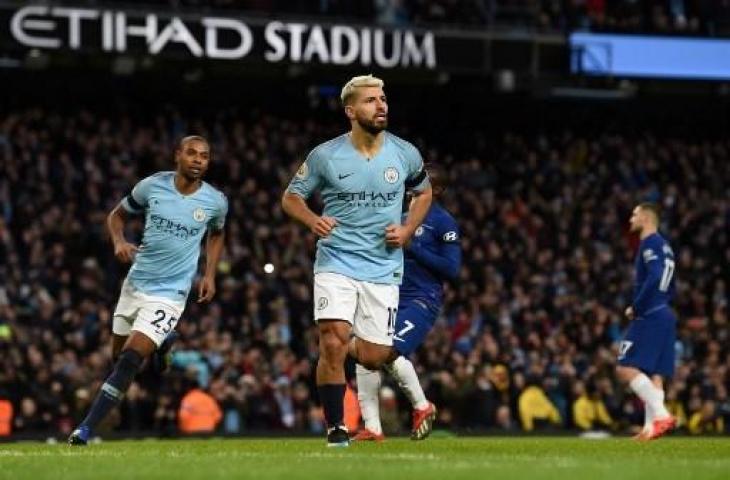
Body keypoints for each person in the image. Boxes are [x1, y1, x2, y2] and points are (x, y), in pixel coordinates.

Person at [282, 74, 432, 447]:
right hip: (337, 260)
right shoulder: (325, 155)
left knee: (373, 354)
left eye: (383, 99)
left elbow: (424, 192)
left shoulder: (405, 152)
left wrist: (409, 228)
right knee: (332, 342)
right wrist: (312, 220)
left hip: (383, 267)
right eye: (370, 100)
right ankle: (337, 430)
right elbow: (291, 197)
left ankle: (346, 349)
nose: (381, 105)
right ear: (350, 110)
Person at [68, 136, 228, 445]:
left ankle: (85, 430)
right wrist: (118, 241)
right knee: (118, 358)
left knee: (129, 359)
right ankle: (164, 344)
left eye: (204, 156)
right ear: (177, 156)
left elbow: (217, 233)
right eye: (192, 154)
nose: (198, 160)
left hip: (170, 295)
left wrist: (209, 274)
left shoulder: (215, 201)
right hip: (135, 284)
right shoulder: (152, 186)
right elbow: (116, 216)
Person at [353, 164, 461, 442]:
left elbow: (452, 269)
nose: (414, 187)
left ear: (438, 190)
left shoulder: (443, 222)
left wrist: (413, 247)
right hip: (387, 297)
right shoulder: (398, 217)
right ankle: (373, 428)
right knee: (366, 352)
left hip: (421, 300)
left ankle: (423, 407)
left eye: (424, 183)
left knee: (386, 350)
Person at [616, 202, 677, 441]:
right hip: (665, 311)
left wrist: (638, 306)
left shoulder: (649, 244)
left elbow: (654, 275)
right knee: (654, 373)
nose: (631, 219)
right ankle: (650, 429)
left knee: (624, 367)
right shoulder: (666, 246)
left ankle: (661, 415)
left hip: (650, 313)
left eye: (634, 214)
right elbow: (670, 284)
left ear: (645, 218)